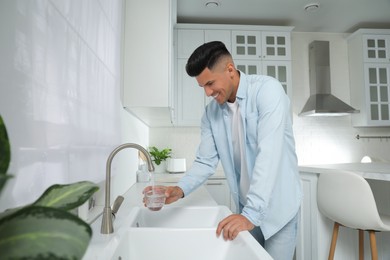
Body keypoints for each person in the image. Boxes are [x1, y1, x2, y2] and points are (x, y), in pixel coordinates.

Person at [160, 41, 302, 259]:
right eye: (203, 87)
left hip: (278, 209)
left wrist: (251, 215)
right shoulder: (211, 115)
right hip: (246, 207)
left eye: (210, 83)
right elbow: (205, 162)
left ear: (229, 69)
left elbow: (270, 154)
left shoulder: (267, 91)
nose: (207, 92)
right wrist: (179, 190)